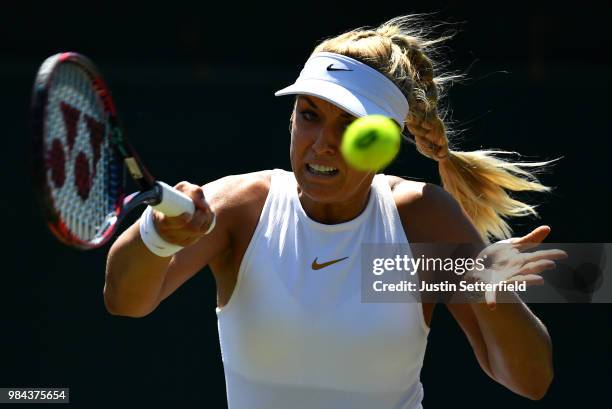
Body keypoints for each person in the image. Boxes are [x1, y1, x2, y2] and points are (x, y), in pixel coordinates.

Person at [104, 15, 566, 409]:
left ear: (383, 142)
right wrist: (159, 236)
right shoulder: (241, 208)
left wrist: (492, 292)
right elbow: (125, 302)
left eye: (350, 127)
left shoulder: (421, 219)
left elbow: (530, 382)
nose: (323, 142)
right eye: (309, 115)